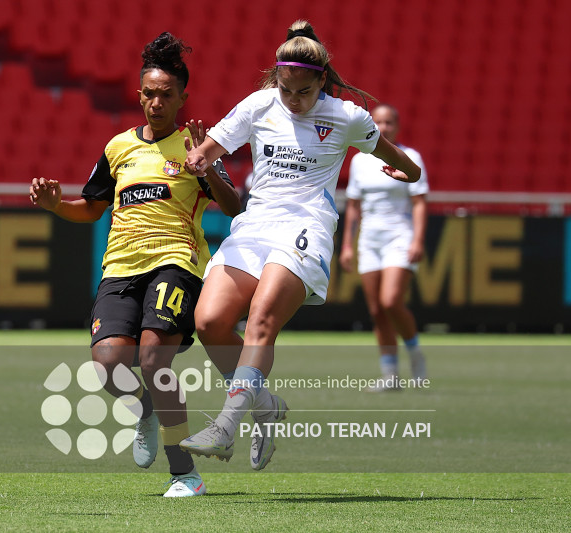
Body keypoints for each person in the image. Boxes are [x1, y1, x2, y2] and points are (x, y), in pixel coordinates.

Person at [177, 20, 421, 469]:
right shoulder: (259, 105)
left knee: (261, 321)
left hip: (306, 225)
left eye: (303, 93)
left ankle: (225, 426)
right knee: (210, 322)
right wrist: (196, 160)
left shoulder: (348, 117)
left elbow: (400, 160)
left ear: (321, 80)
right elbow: (210, 150)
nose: (293, 100)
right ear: (277, 78)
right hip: (255, 224)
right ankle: (266, 406)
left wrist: (408, 172)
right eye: (286, 90)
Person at [29, 32, 241, 497]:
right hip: (120, 269)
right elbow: (91, 207)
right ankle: (145, 408)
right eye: (150, 93)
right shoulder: (118, 148)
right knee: (107, 364)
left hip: (175, 263)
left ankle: (184, 473)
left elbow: (234, 204)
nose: (157, 102)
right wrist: (55, 206)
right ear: (138, 94)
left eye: (167, 94)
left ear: (184, 97)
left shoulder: (196, 146)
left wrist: (205, 167)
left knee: (153, 358)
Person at [339, 104, 429, 391]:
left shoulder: (410, 157)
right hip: (369, 240)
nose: (383, 127)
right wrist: (347, 246)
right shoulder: (359, 161)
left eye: (389, 122)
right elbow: (353, 206)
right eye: (378, 122)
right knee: (377, 309)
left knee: (391, 301)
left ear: (397, 126)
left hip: (399, 236)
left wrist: (417, 239)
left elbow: (419, 203)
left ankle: (415, 353)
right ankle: (390, 375)